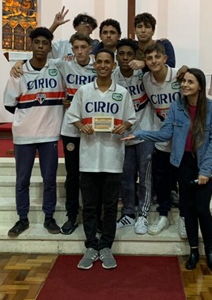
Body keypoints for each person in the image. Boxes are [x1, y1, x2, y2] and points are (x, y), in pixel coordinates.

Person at [123, 68, 212, 271]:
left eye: (190, 82)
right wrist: (140, 134)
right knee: (188, 209)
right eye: (184, 81)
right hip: (183, 163)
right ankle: (193, 251)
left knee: (202, 209)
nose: (185, 85)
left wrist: (205, 170)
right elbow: (165, 133)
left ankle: (210, 251)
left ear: (200, 86)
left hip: (203, 164)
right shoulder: (177, 106)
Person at [65, 49, 137, 270]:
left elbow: (131, 118)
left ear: (113, 66)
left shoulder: (122, 92)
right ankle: (90, 245)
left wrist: (124, 126)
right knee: (88, 206)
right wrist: (81, 126)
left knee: (110, 206)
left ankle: (106, 245)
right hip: (88, 158)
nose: (103, 65)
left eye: (107, 62)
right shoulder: (84, 91)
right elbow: (73, 116)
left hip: (113, 158)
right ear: (94, 64)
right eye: (100, 62)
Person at [4, 27, 66, 237]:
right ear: (31, 45)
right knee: (22, 180)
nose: (40, 46)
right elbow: (10, 104)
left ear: (50, 47)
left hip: (49, 134)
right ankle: (22, 218)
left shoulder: (58, 69)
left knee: (49, 180)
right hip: (24, 135)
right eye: (37, 42)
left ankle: (49, 218)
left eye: (45, 43)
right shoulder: (19, 72)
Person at [139, 43, 186, 237]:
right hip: (161, 135)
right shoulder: (145, 79)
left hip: (182, 137)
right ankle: (163, 215)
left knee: (183, 179)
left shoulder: (179, 76)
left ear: (165, 58)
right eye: (149, 58)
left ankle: (184, 216)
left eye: (157, 57)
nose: (153, 61)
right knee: (161, 179)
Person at [52, 32, 97, 235]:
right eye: (76, 48)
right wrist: (19, 64)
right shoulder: (65, 63)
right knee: (72, 175)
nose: (79, 51)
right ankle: (72, 216)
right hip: (71, 128)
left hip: (94, 129)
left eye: (83, 47)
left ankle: (93, 215)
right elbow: (41, 62)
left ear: (90, 48)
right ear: (72, 49)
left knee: (92, 174)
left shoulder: (99, 65)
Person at [112, 38, 155, 234]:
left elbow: (162, 67)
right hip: (123, 135)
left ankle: (143, 215)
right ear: (116, 56)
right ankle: (128, 213)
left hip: (145, 131)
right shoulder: (112, 78)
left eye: (129, 54)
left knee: (145, 177)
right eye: (121, 54)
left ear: (135, 56)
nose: (125, 57)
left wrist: (145, 63)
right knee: (126, 177)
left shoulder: (145, 74)